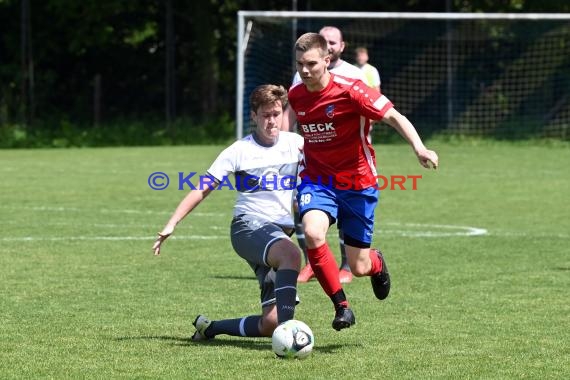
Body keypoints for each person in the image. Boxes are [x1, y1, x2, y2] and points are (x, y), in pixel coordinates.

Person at [289, 33, 439, 331]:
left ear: (327, 60)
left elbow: (394, 116)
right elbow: (289, 130)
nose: (305, 71)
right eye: (299, 64)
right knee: (313, 233)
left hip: (357, 183)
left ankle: (377, 263)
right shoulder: (296, 94)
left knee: (358, 266)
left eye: (311, 64)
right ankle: (342, 307)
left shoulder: (353, 90)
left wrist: (419, 148)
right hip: (317, 180)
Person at [152, 84, 303, 340]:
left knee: (270, 324)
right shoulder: (238, 151)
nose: (271, 121)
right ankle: (290, 332)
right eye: (265, 115)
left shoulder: (297, 144)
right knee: (291, 254)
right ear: (253, 116)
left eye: (276, 114)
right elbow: (201, 189)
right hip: (248, 228)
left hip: (277, 236)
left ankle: (210, 329)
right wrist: (172, 223)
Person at [284, 26, 368, 285]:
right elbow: (292, 112)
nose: (329, 45)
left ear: (341, 47)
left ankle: (346, 265)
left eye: (334, 41)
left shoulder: (354, 75)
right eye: (326, 40)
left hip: (349, 158)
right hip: (312, 157)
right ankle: (311, 263)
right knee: (300, 205)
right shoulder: (304, 73)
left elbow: (369, 112)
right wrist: (288, 143)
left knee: (345, 209)